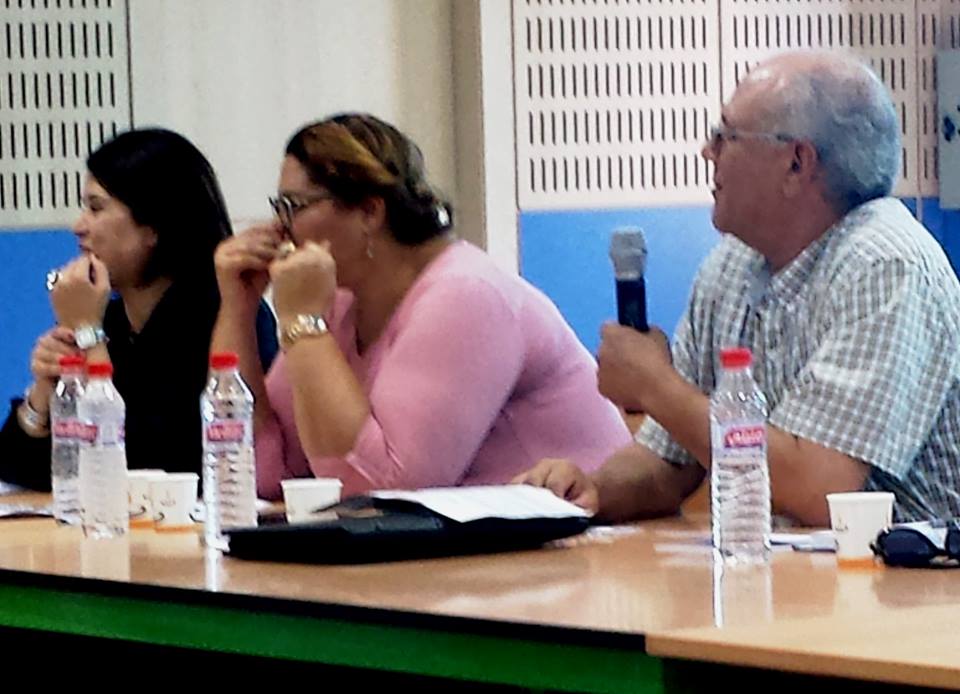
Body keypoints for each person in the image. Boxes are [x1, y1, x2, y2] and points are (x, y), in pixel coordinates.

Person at [516, 51, 960, 525]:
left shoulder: (886, 266)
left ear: (796, 163)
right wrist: (593, 489)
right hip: (778, 563)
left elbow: (817, 489)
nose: (707, 152)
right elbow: (668, 463)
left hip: (903, 568)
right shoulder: (732, 264)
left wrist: (655, 386)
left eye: (726, 136)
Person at [211, 112, 631, 499]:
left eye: (294, 207)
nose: (280, 228)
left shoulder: (466, 294)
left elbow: (387, 489)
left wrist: (303, 324)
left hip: (584, 541)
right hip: (474, 549)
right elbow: (257, 474)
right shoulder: (337, 302)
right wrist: (238, 307)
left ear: (369, 212)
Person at [0, 128, 278, 489]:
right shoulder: (112, 319)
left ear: (153, 226)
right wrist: (45, 390)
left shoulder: (226, 312)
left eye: (96, 208)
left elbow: (154, 462)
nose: (79, 226)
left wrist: (88, 336)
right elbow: (20, 468)